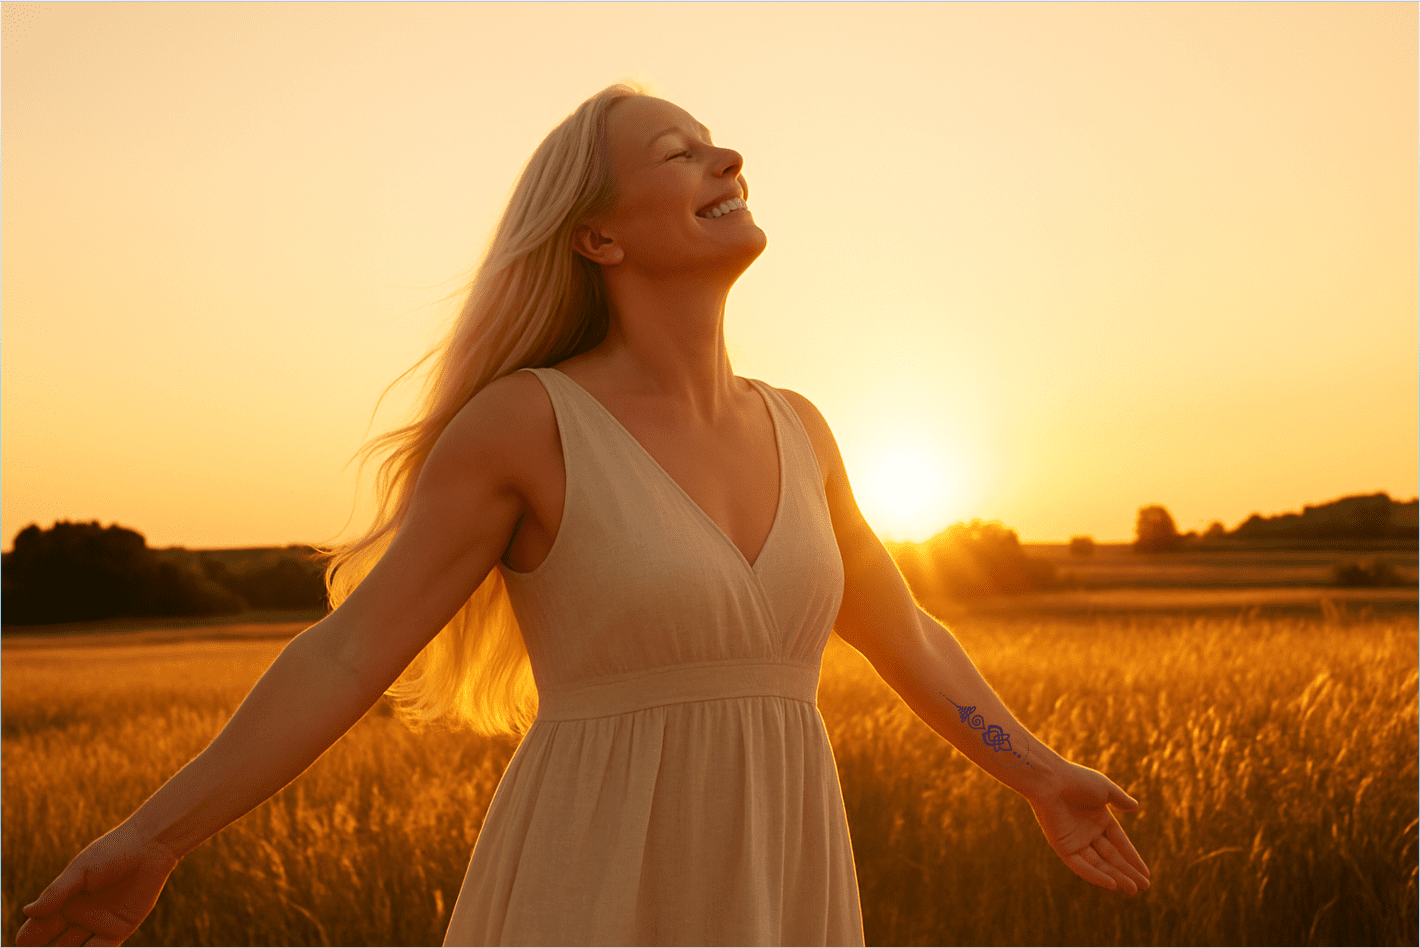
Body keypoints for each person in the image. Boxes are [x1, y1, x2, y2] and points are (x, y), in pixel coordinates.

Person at [17, 84, 1150, 948]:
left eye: (714, 139)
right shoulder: (527, 426)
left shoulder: (801, 428)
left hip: (781, 883)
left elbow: (908, 634)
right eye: (679, 151)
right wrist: (151, 839)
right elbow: (349, 652)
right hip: (589, 883)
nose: (728, 155)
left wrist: (1037, 772)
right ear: (597, 237)